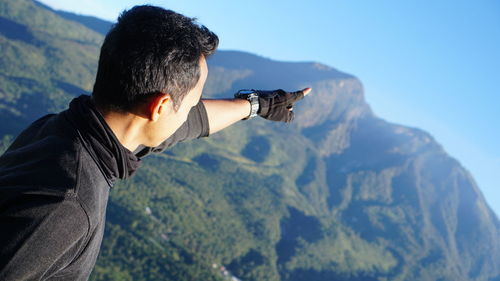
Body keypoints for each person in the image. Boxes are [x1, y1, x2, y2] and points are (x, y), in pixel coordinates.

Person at [0, 5, 311, 281]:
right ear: (159, 107)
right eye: (190, 102)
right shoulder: (67, 207)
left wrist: (257, 105)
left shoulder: (63, 129)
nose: (191, 109)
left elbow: (182, 125)